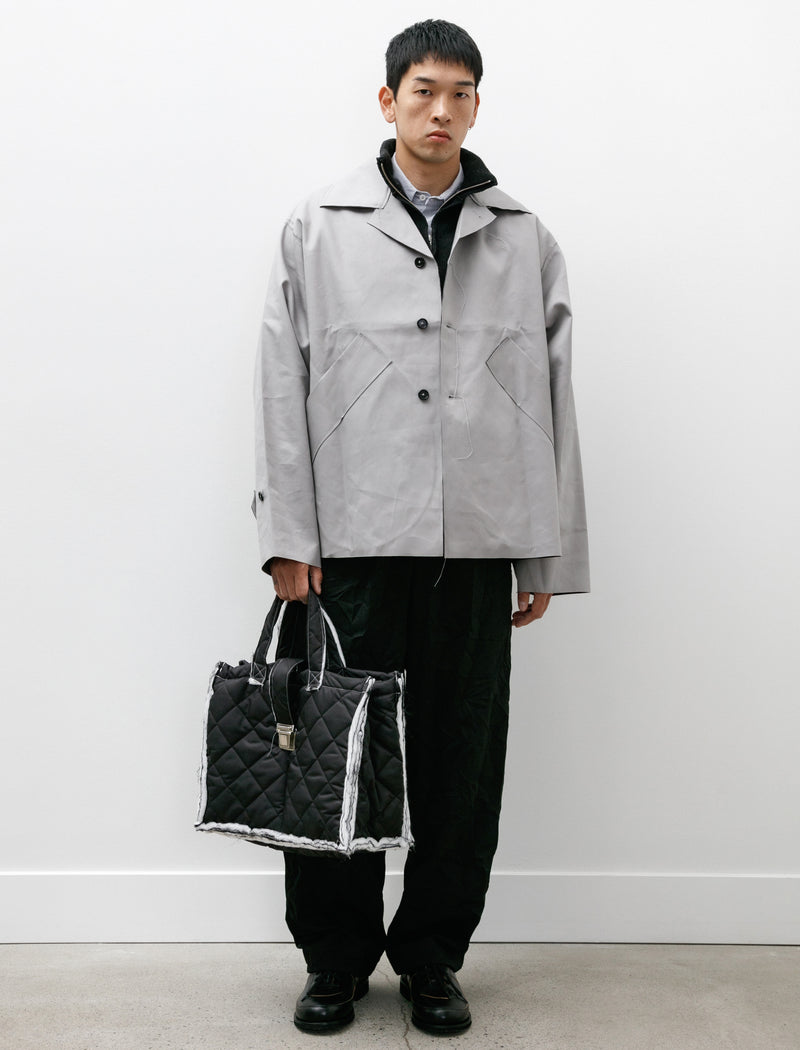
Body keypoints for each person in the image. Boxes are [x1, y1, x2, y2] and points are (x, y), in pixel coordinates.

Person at [253, 18, 589, 1035]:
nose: (440, 110)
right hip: (351, 545)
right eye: (422, 91)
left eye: (459, 94)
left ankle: (434, 960)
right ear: (388, 100)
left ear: (477, 106)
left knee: (461, 764)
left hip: (477, 544)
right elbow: (280, 386)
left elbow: (553, 395)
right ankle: (333, 961)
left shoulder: (521, 236)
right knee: (335, 756)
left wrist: (544, 552)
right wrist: (288, 537)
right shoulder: (319, 226)